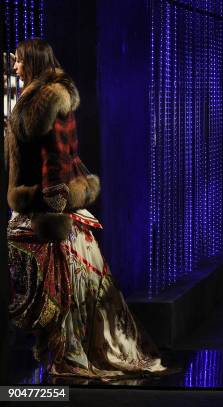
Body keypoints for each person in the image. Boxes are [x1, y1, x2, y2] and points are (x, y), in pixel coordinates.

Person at [6, 38, 165, 379]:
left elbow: (57, 158)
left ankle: (68, 351)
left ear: (32, 61)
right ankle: (55, 350)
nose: (15, 67)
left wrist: (55, 207)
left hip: (49, 207)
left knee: (65, 289)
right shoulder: (32, 95)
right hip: (34, 203)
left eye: (19, 61)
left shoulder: (50, 99)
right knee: (51, 286)